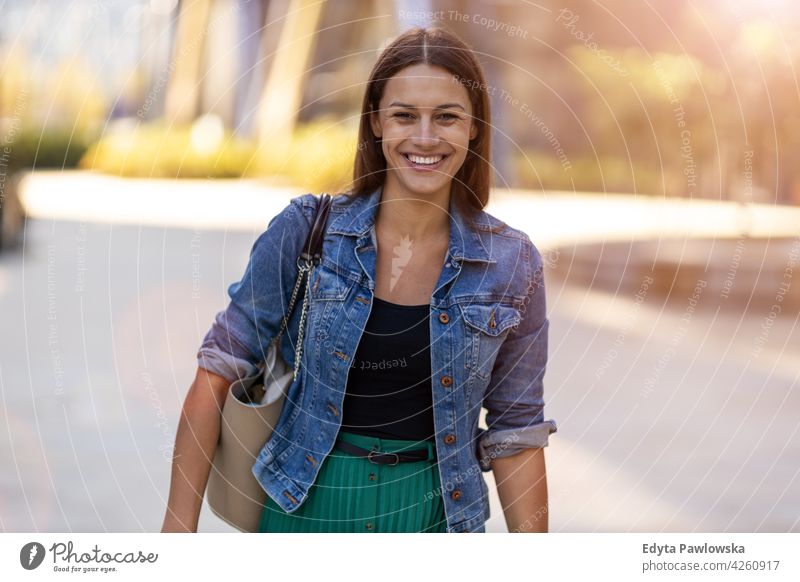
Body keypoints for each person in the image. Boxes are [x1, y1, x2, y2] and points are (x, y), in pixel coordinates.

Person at [161, 25, 556, 534]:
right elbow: (216, 372)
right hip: (305, 505)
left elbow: (516, 432)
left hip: (434, 518)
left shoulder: (512, 262)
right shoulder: (307, 230)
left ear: (475, 127)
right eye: (404, 116)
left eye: (447, 117)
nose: (425, 137)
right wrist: (176, 533)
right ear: (375, 122)